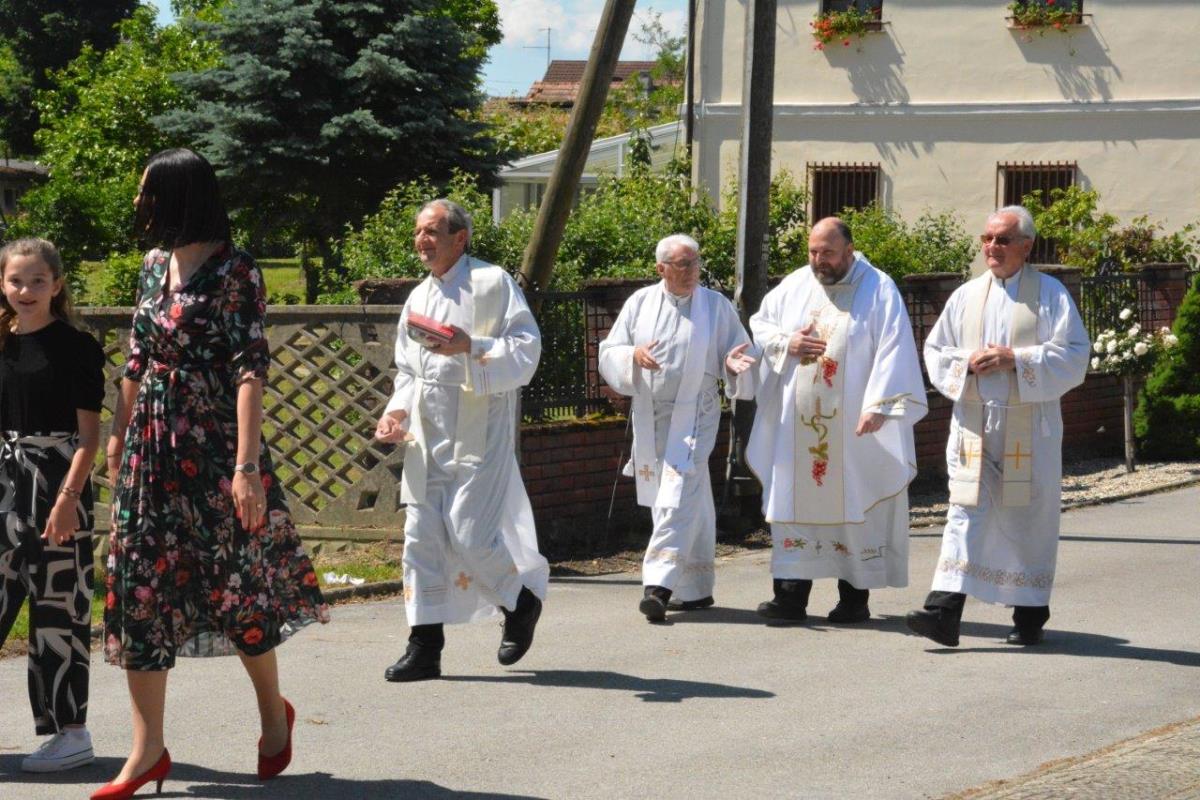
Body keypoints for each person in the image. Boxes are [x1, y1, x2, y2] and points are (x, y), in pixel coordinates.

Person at [96, 148, 329, 800]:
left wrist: (246, 467)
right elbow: (136, 359)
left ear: (177, 196)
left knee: (234, 588)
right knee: (139, 586)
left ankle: (273, 713)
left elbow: (251, 369)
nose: (138, 202)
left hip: (215, 451)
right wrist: (118, 433)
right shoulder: (152, 266)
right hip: (150, 452)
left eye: (146, 191)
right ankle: (146, 751)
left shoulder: (235, 269)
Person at [374, 198, 548, 682]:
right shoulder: (418, 296)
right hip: (426, 432)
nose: (421, 240)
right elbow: (408, 370)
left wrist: (472, 345)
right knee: (421, 538)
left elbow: (527, 350)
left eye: (431, 231)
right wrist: (395, 413)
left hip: (479, 429)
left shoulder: (493, 283)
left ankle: (520, 603)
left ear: (460, 238)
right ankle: (424, 647)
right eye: (418, 232)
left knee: (470, 532)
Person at [905, 206, 1089, 648]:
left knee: (1027, 520)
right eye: (987, 238)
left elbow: (1074, 355)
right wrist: (965, 363)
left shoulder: (1050, 294)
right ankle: (943, 612)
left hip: (1029, 429)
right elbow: (936, 350)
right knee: (964, 511)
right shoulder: (966, 295)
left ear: (1026, 246)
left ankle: (1029, 615)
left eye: (1002, 240)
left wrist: (1016, 359)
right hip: (974, 424)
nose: (992, 247)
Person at [747, 217, 927, 623]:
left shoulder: (878, 288)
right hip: (797, 427)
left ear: (849, 250)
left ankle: (853, 600)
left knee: (856, 502)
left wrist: (881, 405)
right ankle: (790, 598)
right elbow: (762, 325)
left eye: (827, 253)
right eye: (813, 252)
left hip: (853, 427)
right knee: (794, 502)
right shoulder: (796, 285)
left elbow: (895, 347)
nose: (818, 261)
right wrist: (787, 342)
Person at [598, 234, 756, 621]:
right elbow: (610, 350)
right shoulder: (640, 303)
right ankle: (694, 588)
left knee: (678, 488)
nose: (692, 271)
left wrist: (732, 365)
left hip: (696, 412)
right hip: (652, 413)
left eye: (695, 262)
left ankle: (658, 585)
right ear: (661, 268)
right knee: (682, 495)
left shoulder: (715, 306)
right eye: (683, 264)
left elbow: (738, 348)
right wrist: (632, 355)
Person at [0, 238, 103, 773]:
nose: (26, 290)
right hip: (3, 486)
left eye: (38, 280)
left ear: (57, 285)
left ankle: (72, 734)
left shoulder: (76, 346)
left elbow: (89, 437)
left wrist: (67, 500)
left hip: (60, 486)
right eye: (16, 280)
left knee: (58, 614)